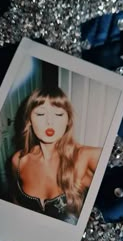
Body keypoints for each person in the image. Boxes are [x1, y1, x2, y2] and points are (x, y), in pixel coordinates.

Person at [11, 87, 102, 224]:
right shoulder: (18, 160)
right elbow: (15, 204)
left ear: (68, 121)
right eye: (40, 114)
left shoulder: (86, 156)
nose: (50, 122)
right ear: (29, 120)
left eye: (58, 114)